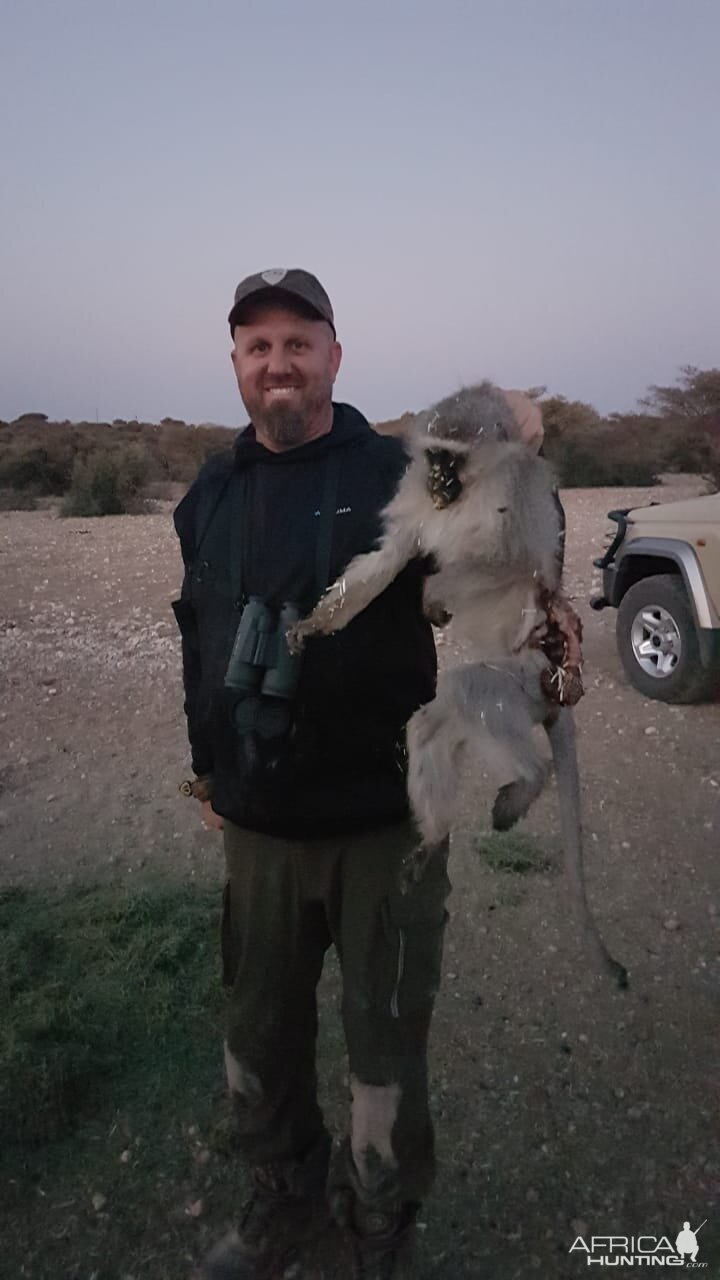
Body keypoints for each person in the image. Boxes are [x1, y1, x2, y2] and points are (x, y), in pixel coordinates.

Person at [172, 268, 450, 1280]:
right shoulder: (211, 491)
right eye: (258, 345)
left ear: (336, 354)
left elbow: (486, 560)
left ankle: (379, 1223)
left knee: (384, 1043)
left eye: (299, 340)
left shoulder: (403, 473)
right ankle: (282, 1199)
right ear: (237, 364)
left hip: (387, 819)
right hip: (259, 828)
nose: (277, 361)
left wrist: (515, 436)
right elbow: (196, 635)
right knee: (259, 1035)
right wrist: (210, 770)